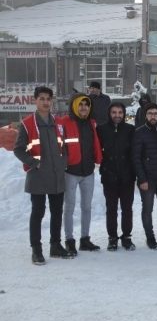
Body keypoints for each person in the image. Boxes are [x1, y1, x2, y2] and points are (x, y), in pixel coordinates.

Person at [14, 86, 72, 264]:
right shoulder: (27, 123)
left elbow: (65, 146)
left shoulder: (58, 123)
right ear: (35, 100)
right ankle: (36, 250)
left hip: (56, 176)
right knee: (37, 213)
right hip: (38, 176)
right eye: (42, 99)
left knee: (56, 212)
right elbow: (18, 149)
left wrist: (63, 162)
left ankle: (55, 245)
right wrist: (34, 163)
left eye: (48, 99)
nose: (46, 102)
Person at [59, 93, 103, 255]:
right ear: (74, 106)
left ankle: (85, 239)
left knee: (86, 207)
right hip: (70, 172)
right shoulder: (64, 122)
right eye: (81, 104)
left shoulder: (92, 123)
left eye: (87, 104)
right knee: (69, 207)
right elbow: (58, 145)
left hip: (88, 172)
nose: (84, 107)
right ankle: (69, 240)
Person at [97, 102, 137, 251]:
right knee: (111, 208)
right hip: (109, 175)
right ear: (109, 113)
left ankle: (126, 237)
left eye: (120, 112)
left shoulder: (130, 129)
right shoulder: (101, 130)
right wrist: (105, 170)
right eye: (114, 112)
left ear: (124, 114)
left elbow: (134, 153)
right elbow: (98, 152)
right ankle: (112, 238)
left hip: (127, 176)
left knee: (127, 208)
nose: (117, 115)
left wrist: (132, 173)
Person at [132, 102, 157, 250]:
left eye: (155, 114)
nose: (153, 116)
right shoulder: (139, 132)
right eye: (150, 114)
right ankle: (150, 237)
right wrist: (141, 179)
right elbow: (136, 158)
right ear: (146, 116)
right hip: (147, 180)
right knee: (147, 209)